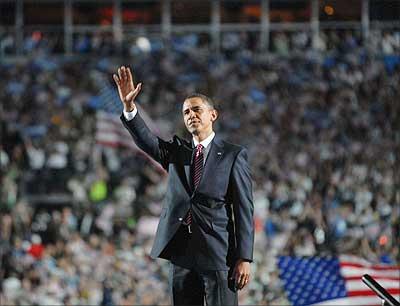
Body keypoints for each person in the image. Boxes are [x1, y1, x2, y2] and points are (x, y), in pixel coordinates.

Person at [113, 66, 254, 306]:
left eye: (197, 109)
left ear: (213, 115)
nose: (191, 115)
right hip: (181, 253)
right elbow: (147, 142)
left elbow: (243, 209)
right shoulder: (177, 152)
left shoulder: (233, 155)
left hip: (218, 253)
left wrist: (244, 258)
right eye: (186, 111)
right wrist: (129, 109)